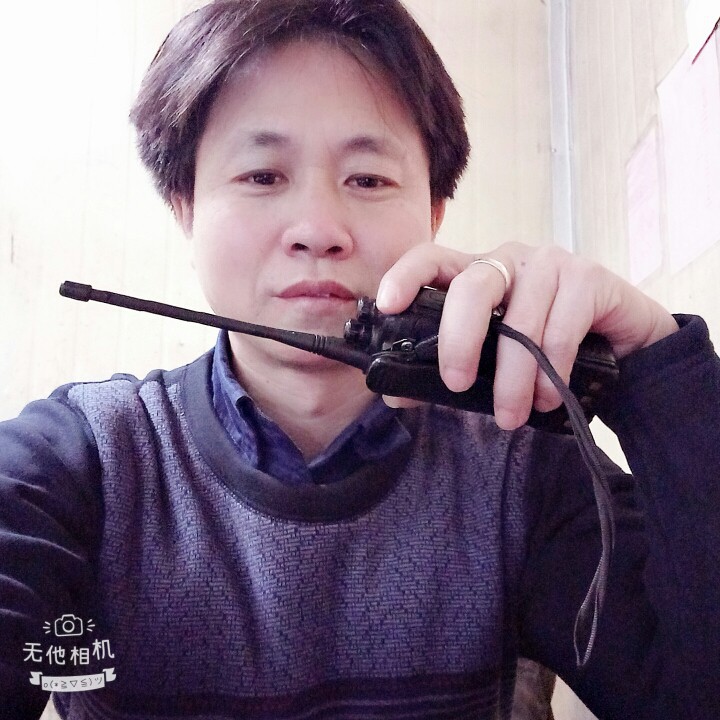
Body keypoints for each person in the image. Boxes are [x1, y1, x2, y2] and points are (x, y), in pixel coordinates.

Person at [1, 0, 718, 718]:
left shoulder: (519, 466)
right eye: (262, 175)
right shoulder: (79, 462)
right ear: (185, 205)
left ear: (434, 212)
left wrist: (657, 373)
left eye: (368, 180)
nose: (318, 229)